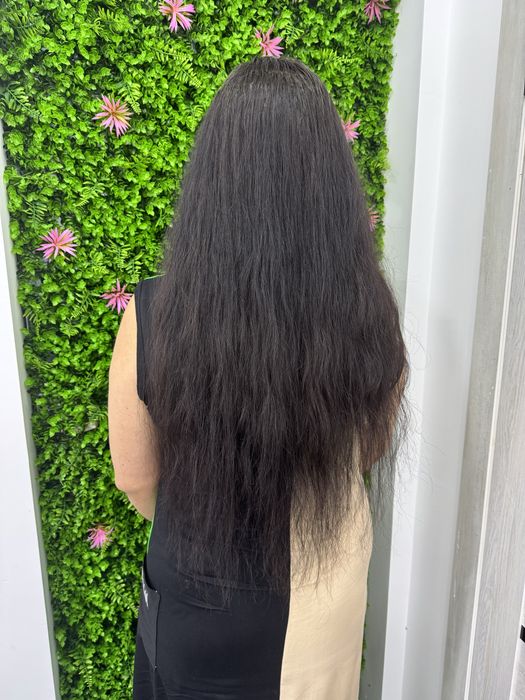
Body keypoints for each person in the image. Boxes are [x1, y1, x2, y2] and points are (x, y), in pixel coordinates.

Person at [108, 55, 409, 700]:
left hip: (200, 597)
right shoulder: (368, 311)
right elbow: (369, 447)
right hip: (320, 592)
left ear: (212, 181)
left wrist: (206, 520)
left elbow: (135, 477)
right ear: (330, 185)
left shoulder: (155, 314)